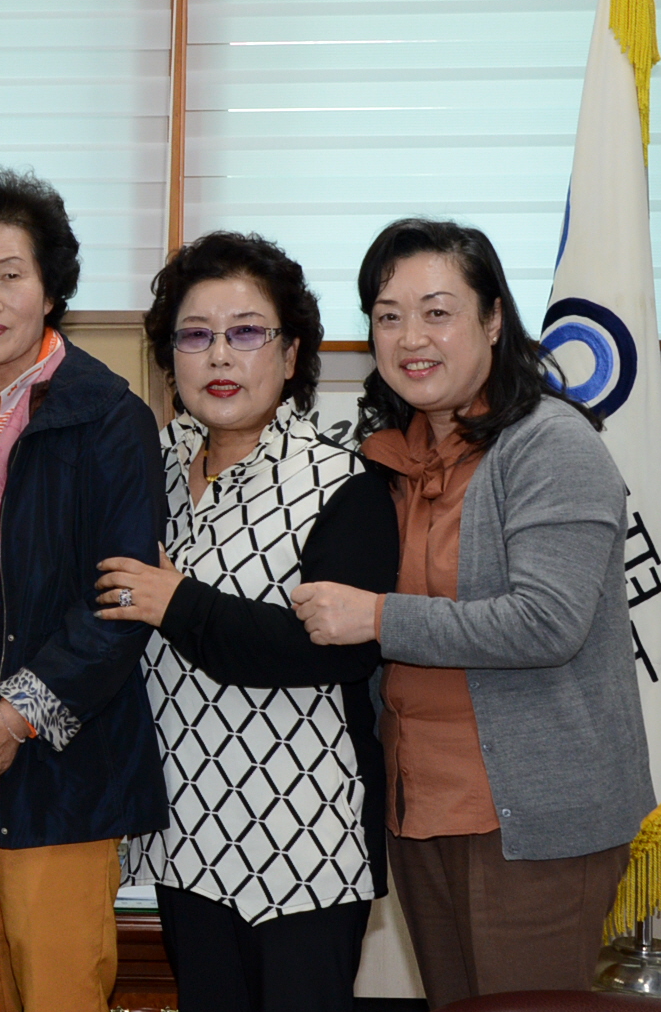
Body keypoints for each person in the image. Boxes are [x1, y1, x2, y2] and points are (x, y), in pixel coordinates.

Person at [291, 218, 651, 1007]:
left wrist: (376, 617)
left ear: (492, 319)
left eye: (436, 310)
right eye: (387, 315)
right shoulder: (392, 454)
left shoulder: (549, 443)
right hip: (417, 804)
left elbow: (544, 622)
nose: (410, 336)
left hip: (530, 814)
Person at [94, 232, 399, 1012]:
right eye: (194, 335)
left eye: (245, 332)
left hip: (303, 837)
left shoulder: (344, 482)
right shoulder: (150, 466)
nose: (218, 356)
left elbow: (329, 652)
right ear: (169, 358)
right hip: (182, 829)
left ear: (291, 354)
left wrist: (177, 602)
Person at [0, 170, 165, 1012]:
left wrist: (12, 719)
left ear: (50, 286)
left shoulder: (107, 416)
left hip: (56, 765)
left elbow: (122, 601)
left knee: (57, 990)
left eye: (10, 273)